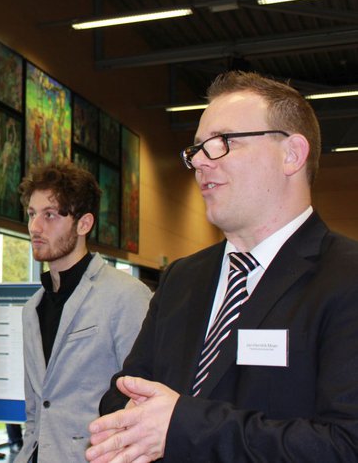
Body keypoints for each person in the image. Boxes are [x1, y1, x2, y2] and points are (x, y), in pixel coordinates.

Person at [87, 71, 358, 462]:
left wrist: (180, 426)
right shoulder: (183, 277)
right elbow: (125, 389)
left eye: (222, 143)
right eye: (196, 148)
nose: (199, 161)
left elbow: (345, 445)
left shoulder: (345, 278)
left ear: (291, 154)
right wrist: (134, 419)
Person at [15, 162, 151, 463]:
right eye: (32, 214)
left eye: (50, 215)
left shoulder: (126, 296)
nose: (35, 227)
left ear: (84, 224)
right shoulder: (32, 308)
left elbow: (144, 401)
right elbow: (36, 408)